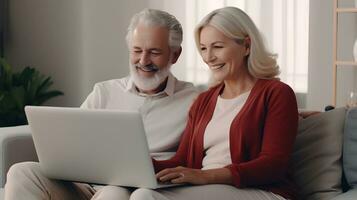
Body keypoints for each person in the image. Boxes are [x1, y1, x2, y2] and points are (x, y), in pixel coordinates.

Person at [4, 9, 198, 200]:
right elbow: (72, 138)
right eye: (137, 51)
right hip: (85, 184)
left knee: (114, 193)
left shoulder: (193, 100)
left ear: (175, 55)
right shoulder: (104, 91)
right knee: (21, 172)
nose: (143, 60)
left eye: (154, 52)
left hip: (138, 190)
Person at [148, 6, 299, 200]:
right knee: (142, 193)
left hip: (263, 191)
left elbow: (273, 165)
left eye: (217, 46)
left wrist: (206, 176)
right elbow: (183, 160)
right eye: (203, 48)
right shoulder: (203, 101)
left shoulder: (277, 93)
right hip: (209, 189)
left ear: (246, 46)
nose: (208, 57)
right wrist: (140, 163)